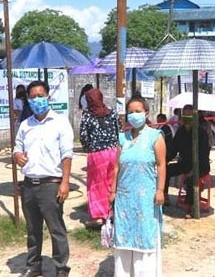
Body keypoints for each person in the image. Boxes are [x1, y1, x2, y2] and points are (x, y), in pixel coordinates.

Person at [13, 80, 73, 277]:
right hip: (29, 184)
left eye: (41, 95)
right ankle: (34, 264)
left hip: (51, 184)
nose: (37, 99)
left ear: (48, 96)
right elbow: (17, 147)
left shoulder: (60, 122)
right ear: (28, 100)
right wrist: (17, 155)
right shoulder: (25, 125)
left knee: (56, 229)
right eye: (33, 97)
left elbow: (67, 155)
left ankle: (61, 267)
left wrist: (65, 182)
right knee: (32, 228)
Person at [111, 95, 166, 275]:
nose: (134, 115)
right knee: (124, 236)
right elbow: (117, 166)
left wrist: (160, 190)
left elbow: (161, 164)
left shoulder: (155, 136)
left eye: (138, 111)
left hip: (146, 198)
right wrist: (112, 191)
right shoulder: (122, 138)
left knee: (145, 235)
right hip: (125, 197)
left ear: (146, 113)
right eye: (130, 112)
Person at [79, 88, 121, 228]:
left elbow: (84, 137)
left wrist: (88, 149)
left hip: (97, 155)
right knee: (112, 182)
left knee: (97, 185)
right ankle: (113, 212)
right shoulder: (113, 113)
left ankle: (99, 215)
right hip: (114, 152)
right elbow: (119, 130)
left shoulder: (87, 116)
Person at [165, 105, 211, 216]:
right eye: (184, 115)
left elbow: (204, 155)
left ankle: (190, 207)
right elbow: (173, 149)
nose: (186, 118)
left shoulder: (202, 132)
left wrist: (194, 170)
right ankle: (164, 195)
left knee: (191, 179)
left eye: (189, 115)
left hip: (201, 165)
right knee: (166, 170)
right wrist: (165, 160)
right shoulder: (181, 132)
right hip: (185, 163)